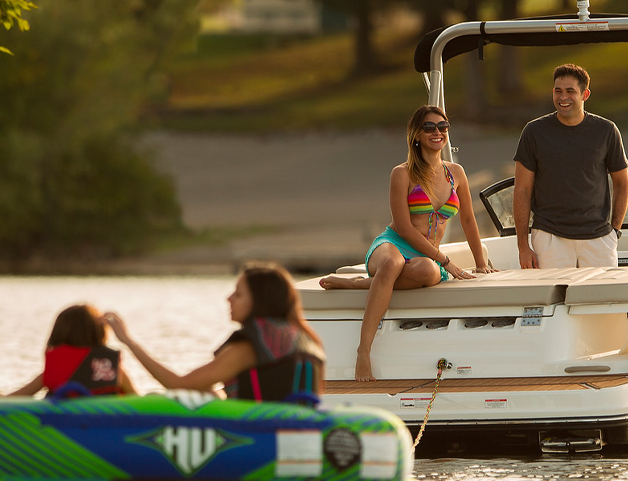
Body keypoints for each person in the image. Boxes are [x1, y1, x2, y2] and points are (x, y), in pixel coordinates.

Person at [320, 105, 493, 382]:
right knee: (392, 263)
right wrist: (446, 261)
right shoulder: (402, 174)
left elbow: (469, 220)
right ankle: (364, 351)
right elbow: (403, 228)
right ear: (416, 135)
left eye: (443, 126)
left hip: (426, 255)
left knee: (428, 271)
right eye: (429, 127)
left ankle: (358, 283)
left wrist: (481, 263)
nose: (437, 132)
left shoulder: (456, 173)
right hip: (395, 243)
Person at [109, 262, 326, 403]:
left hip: (260, 436)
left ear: (260, 301)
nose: (228, 299)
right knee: (207, 392)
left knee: (173, 397)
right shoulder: (307, 338)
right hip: (300, 429)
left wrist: (128, 341)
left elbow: (178, 384)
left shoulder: (249, 347)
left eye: (238, 294)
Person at [513, 63, 628, 269]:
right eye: (558, 91)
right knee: (551, 292)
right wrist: (523, 246)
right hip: (549, 239)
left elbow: (622, 183)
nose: (563, 97)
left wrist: (615, 231)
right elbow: (522, 190)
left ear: (585, 94)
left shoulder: (607, 131)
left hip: (599, 240)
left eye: (570, 91)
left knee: (601, 291)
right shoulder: (534, 132)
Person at [7, 304, 137, 397]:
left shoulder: (54, 369)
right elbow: (138, 401)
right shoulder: (112, 368)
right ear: (98, 333)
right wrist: (127, 339)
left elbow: (12, 399)